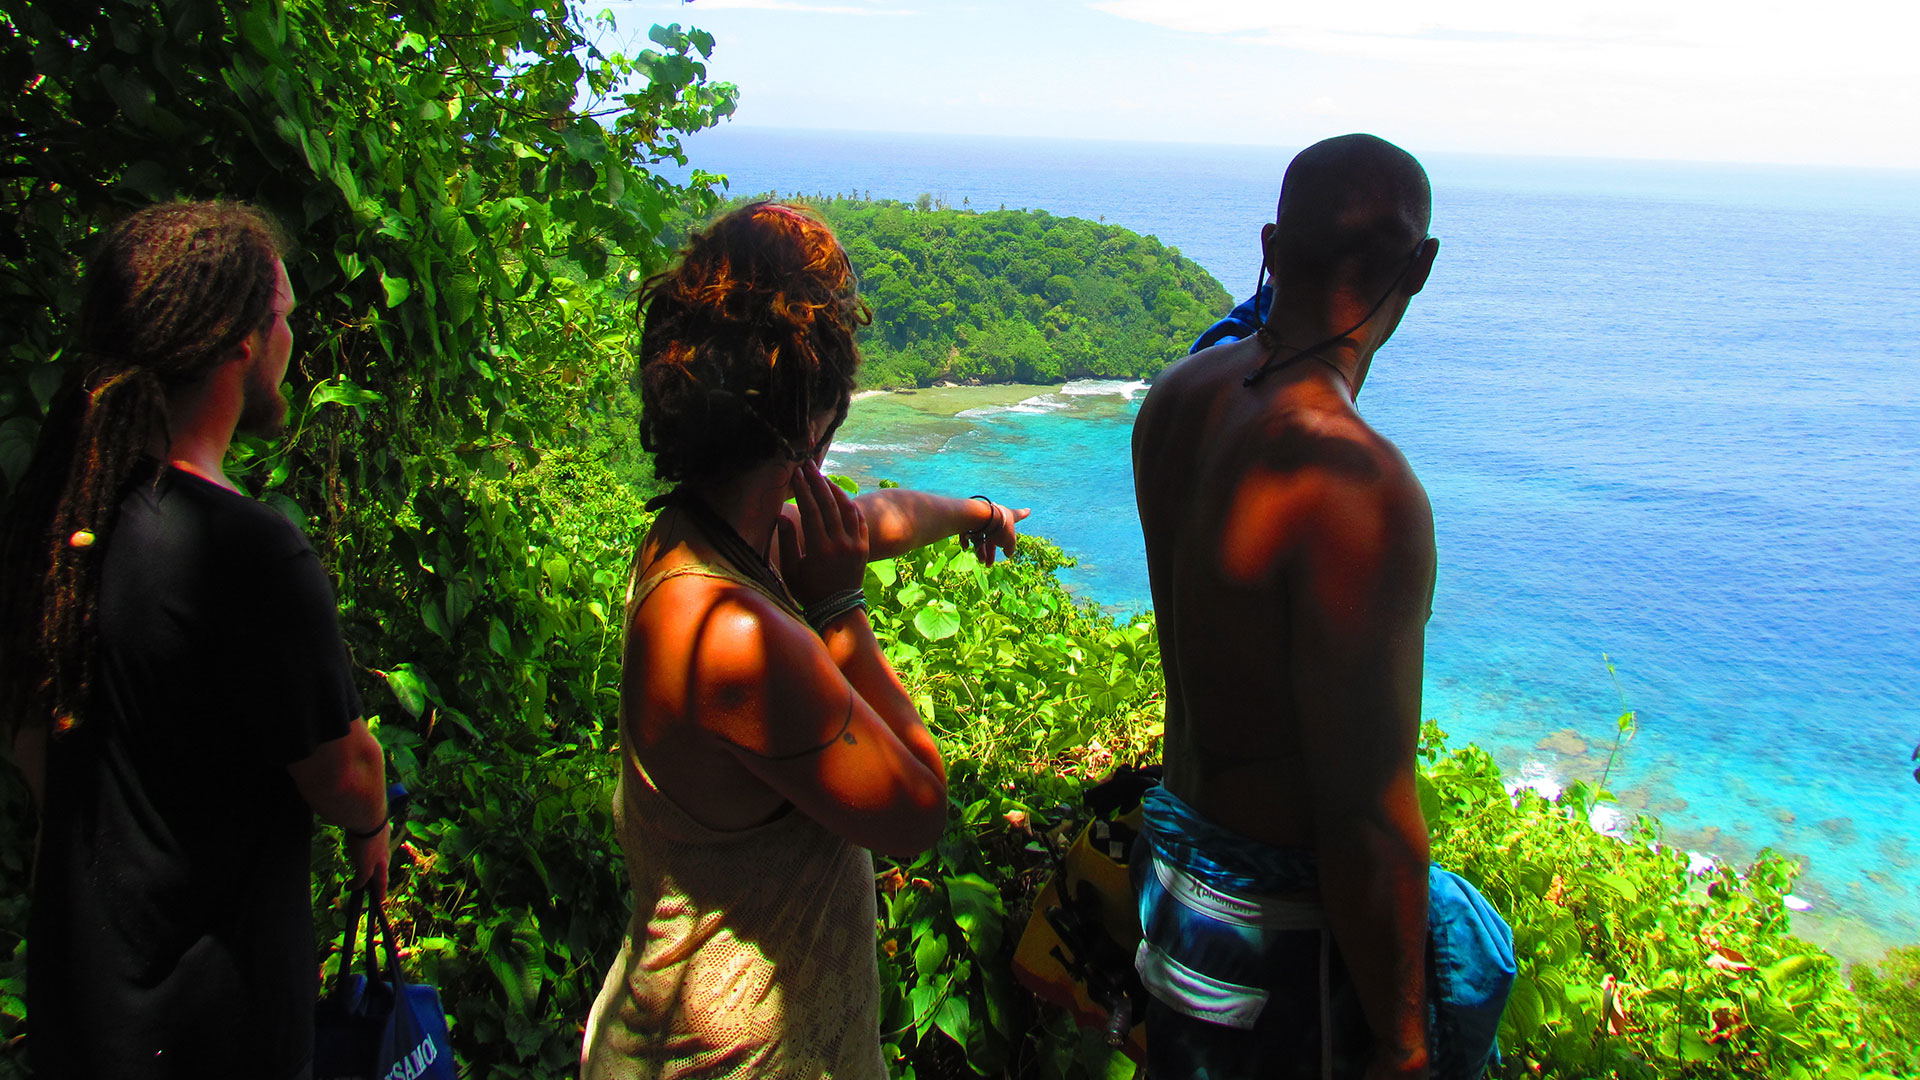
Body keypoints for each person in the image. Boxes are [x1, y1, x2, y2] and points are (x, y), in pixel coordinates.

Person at [580, 201, 1028, 1079]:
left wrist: (972, 513)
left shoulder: (702, 539)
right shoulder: (740, 640)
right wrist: (841, 612)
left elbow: (867, 519)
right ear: (820, 406)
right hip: (729, 1056)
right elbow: (917, 811)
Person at [0, 201, 390, 1078]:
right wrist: (372, 825)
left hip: (79, 1010)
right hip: (215, 1029)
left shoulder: (58, 524)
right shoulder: (248, 550)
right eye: (284, 317)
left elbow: (34, 749)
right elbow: (342, 772)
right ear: (240, 343)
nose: (293, 339)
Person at [1130, 135, 1446, 1079]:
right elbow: (1368, 816)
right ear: (1420, 269)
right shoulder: (1356, 487)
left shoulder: (1178, 398)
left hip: (1173, 877)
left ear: (1270, 247)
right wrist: (1402, 1045)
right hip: (1271, 943)